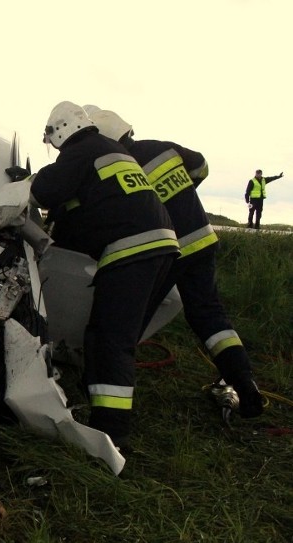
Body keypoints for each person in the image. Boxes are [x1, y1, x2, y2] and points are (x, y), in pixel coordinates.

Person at [88, 107, 264, 418]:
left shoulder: (120, 166)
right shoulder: (163, 149)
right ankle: (247, 390)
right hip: (201, 239)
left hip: (164, 250)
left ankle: (106, 396)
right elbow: (201, 167)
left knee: (126, 327)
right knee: (211, 318)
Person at [29, 101, 180, 449]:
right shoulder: (109, 150)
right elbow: (88, 211)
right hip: (160, 248)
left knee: (113, 340)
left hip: (132, 250)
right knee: (104, 335)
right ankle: (102, 413)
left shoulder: (81, 150)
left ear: (61, 130)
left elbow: (45, 191)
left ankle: (113, 433)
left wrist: (25, 182)